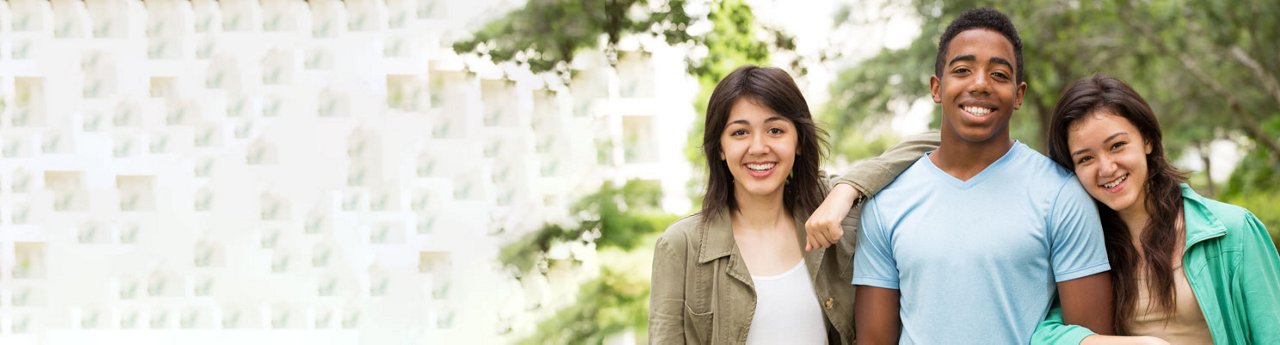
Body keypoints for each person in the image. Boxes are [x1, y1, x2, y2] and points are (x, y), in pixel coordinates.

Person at [849, 8, 1114, 344]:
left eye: (999, 75)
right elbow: (874, 340)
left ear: (1018, 95)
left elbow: (1090, 339)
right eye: (962, 70)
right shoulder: (887, 201)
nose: (980, 84)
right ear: (937, 87)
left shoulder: (1061, 194)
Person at [648, 65, 938, 344]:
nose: (759, 147)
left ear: (799, 141)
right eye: (740, 132)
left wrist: (845, 190)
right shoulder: (681, 245)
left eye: (775, 130)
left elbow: (938, 140)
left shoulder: (834, 218)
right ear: (720, 148)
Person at [1031, 75, 1280, 344]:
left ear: (1147, 140)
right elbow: (1043, 335)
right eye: (1086, 158)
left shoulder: (1233, 231)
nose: (1106, 168)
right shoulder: (1081, 246)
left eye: (1117, 146)